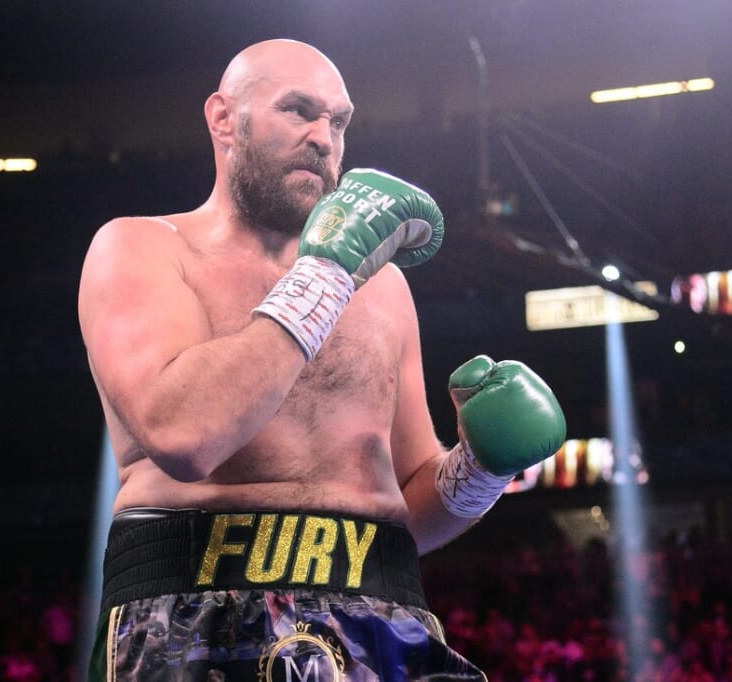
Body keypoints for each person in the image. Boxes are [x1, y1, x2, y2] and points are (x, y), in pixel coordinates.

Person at [78, 38, 567, 681]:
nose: (323, 138)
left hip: (384, 615)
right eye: (298, 111)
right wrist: (326, 276)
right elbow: (183, 433)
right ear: (224, 119)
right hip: (193, 611)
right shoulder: (142, 249)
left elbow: (407, 506)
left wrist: (478, 469)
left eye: (338, 122)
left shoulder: (385, 286)